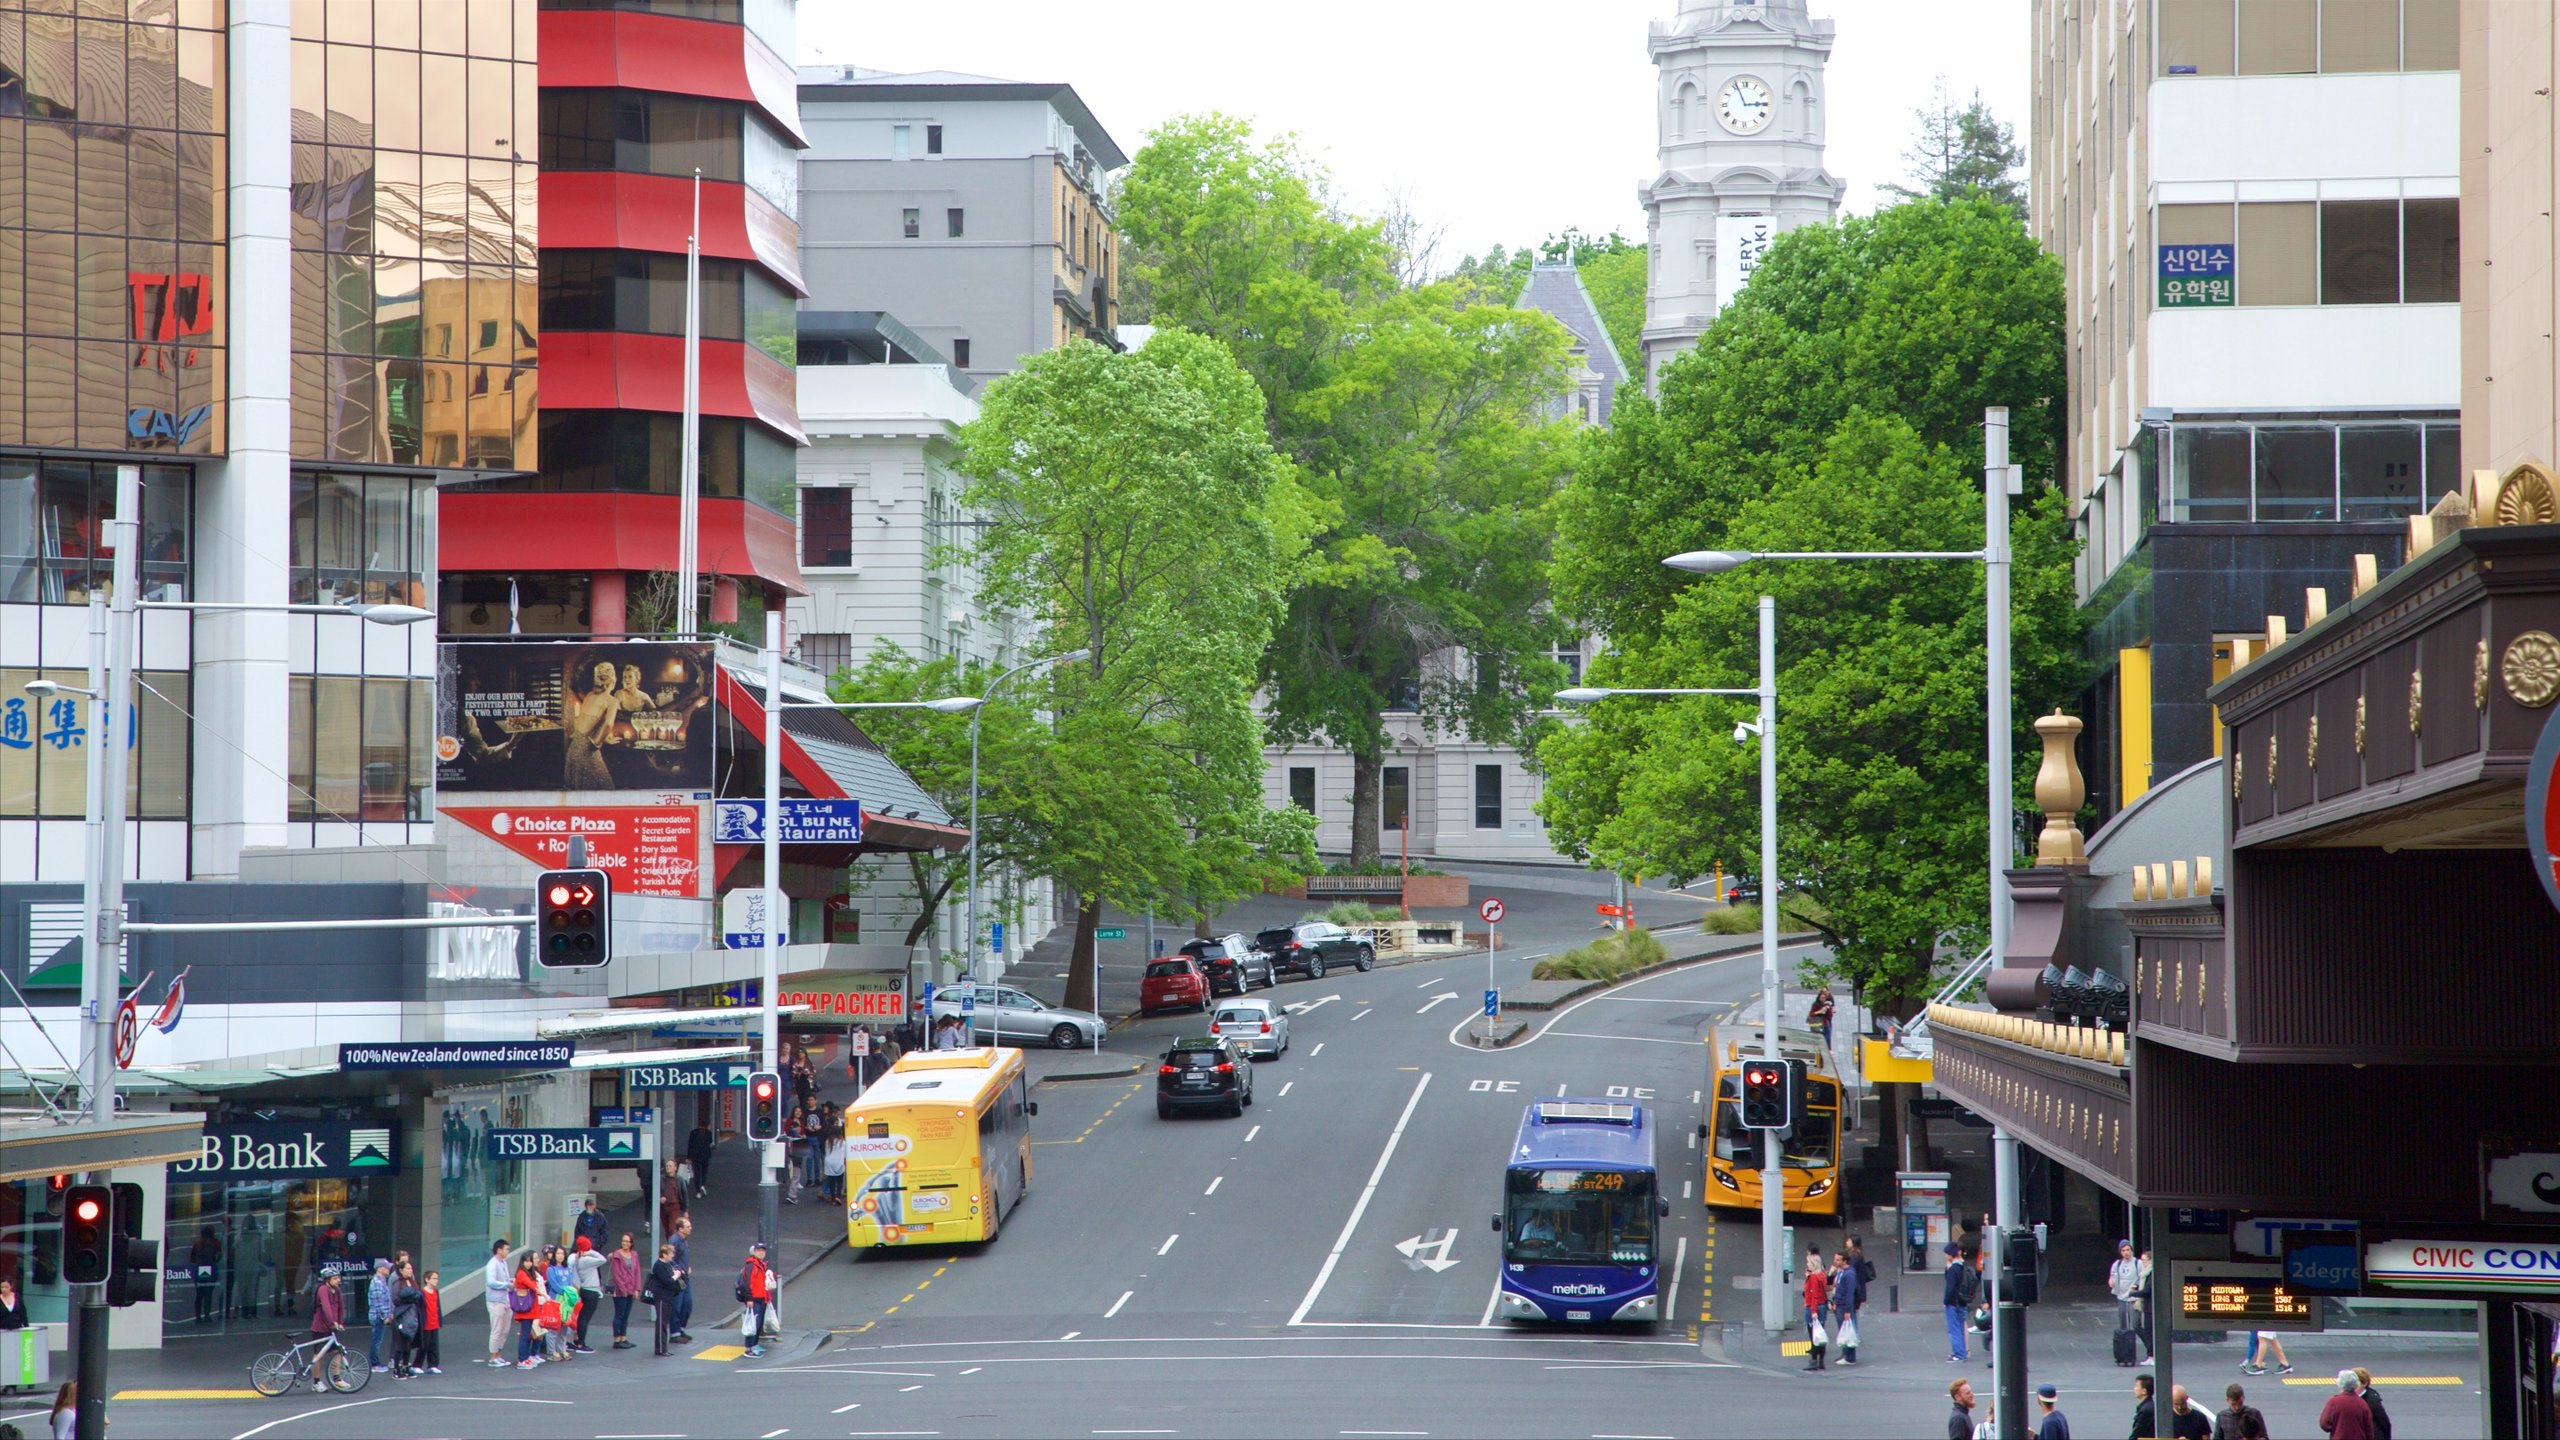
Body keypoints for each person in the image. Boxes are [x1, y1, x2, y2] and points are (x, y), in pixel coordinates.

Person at [309, 1268, 346, 1387]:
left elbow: (341, 1307)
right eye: (335, 1278)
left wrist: (340, 1323)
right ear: (327, 1280)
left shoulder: (337, 1290)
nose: (338, 1280)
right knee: (318, 1356)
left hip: (331, 1328)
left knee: (338, 1352)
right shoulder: (323, 1289)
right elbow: (326, 1307)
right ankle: (316, 1382)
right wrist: (332, 1322)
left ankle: (337, 1379)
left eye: (338, 1278)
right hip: (320, 1328)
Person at [1942, 1241, 1978, 1363]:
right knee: (1961, 1326)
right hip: (1962, 1302)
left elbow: (1950, 1287)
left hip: (1953, 1302)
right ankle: (1962, 1351)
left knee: (1954, 1328)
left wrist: (1946, 1301)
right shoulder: (1962, 1266)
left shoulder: (1953, 1269)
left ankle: (1958, 1353)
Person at [738, 1242, 775, 1358]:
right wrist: (749, 1298)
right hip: (754, 1299)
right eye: (759, 1250)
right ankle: (749, 1348)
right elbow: (747, 1283)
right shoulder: (751, 1265)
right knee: (753, 1324)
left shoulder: (761, 1264)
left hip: (761, 1298)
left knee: (757, 1324)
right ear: (754, 1252)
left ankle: (754, 1344)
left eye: (763, 1250)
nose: (761, 1252)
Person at [482, 1239, 515, 1369]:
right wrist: (507, 1284)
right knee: (496, 1329)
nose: (508, 1251)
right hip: (495, 1301)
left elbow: (505, 1279)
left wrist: (510, 1281)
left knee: (504, 1330)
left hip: (505, 1299)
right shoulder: (492, 1264)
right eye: (506, 1249)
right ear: (499, 1250)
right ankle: (493, 1357)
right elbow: (491, 1282)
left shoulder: (504, 1263)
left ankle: (499, 1354)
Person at [1826, 1251, 1863, 1364]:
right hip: (1839, 1304)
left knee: (1848, 1330)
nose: (1835, 1261)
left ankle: (1850, 1357)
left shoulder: (1849, 1274)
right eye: (1835, 1259)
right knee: (1843, 1330)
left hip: (1845, 1306)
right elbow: (1833, 1285)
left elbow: (1849, 1293)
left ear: (1844, 1261)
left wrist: (1848, 1310)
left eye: (1838, 1260)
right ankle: (1845, 1354)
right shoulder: (1839, 1271)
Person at [646, 1242, 682, 1357]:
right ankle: (661, 1349)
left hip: (667, 1297)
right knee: (661, 1323)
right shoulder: (659, 1266)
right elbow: (667, 1281)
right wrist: (676, 1276)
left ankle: (663, 1347)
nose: (672, 1256)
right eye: (671, 1253)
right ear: (664, 1254)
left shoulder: (667, 1264)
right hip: (662, 1297)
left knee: (664, 1322)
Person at [570, 1237, 606, 1354]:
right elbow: (602, 1259)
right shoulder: (586, 1260)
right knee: (585, 1317)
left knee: (583, 1317)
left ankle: (579, 1340)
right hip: (591, 1291)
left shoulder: (580, 1260)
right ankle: (581, 1343)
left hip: (585, 1289)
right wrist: (590, 1251)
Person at [607, 1234, 643, 1350]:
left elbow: (637, 1272)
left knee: (626, 1315)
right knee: (619, 1314)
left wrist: (637, 1289)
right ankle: (617, 1339)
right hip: (620, 1291)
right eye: (623, 1241)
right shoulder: (616, 1255)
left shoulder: (634, 1254)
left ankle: (624, 1337)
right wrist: (623, 1290)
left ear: (631, 1243)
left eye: (627, 1241)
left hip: (631, 1289)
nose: (625, 1243)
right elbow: (617, 1275)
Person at [2320, 1369, 2377, 1440]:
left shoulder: (2333, 1402)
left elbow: (2324, 1424)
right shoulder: (2362, 1403)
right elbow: (2369, 1428)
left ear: (2340, 1384)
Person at [1800, 1244, 1830, 1371]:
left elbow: (1813, 1295)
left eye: (1809, 1263)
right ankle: (1821, 1360)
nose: (1807, 1265)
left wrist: (1813, 1311)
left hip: (1814, 1307)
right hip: (1823, 1306)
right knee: (1820, 1333)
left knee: (1813, 1336)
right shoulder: (1822, 1275)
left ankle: (1813, 1360)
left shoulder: (1813, 1277)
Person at [390, 1262, 423, 1379]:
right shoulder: (397, 1283)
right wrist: (409, 1297)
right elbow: (396, 1300)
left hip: (412, 1316)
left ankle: (405, 1366)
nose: (410, 1270)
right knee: (399, 1345)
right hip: (401, 1317)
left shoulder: (413, 1282)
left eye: (411, 1268)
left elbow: (418, 1295)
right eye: (408, 1268)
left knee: (408, 1344)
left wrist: (412, 1296)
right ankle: (396, 1369)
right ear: (401, 1270)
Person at [510, 1255, 543, 1369]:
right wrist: (545, 1295)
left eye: (530, 1261)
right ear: (522, 1262)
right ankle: (522, 1359)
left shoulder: (527, 1273)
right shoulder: (521, 1273)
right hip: (525, 1308)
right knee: (525, 1335)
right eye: (526, 1261)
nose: (529, 1263)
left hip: (529, 1308)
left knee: (527, 1334)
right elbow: (532, 1285)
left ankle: (525, 1357)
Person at [2110, 1239, 2143, 1341]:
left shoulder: (2138, 1263)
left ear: (2131, 1250)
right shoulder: (2117, 1264)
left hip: (2134, 1297)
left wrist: (2139, 1297)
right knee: (2123, 1324)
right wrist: (2111, 1282)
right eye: (2123, 1250)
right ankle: (2125, 1347)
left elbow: (2142, 1279)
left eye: (2128, 1250)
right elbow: (2112, 1277)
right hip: (2122, 1297)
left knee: (2136, 1324)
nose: (2126, 1252)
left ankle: (2149, 1345)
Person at [668, 1216, 695, 1343]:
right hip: (679, 1278)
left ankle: (681, 1329)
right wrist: (680, 1269)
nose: (690, 1228)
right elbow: (671, 1259)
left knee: (687, 1304)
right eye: (688, 1227)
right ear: (680, 1229)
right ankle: (675, 1333)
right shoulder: (674, 1241)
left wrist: (687, 1266)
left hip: (685, 1277)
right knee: (677, 1305)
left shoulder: (684, 1240)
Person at [365, 1258, 395, 1373]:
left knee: (377, 1340)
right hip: (379, 1317)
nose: (389, 1269)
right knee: (376, 1340)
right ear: (380, 1268)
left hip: (380, 1316)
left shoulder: (382, 1281)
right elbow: (379, 1302)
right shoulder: (377, 1282)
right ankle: (375, 1364)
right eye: (387, 1267)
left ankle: (375, 1363)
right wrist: (385, 1316)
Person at [2354, 1367, 2393, 1440]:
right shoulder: (2349, 1398)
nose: (2353, 1387)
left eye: (2356, 1384)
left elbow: (2384, 1421)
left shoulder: (2372, 1400)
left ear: (2364, 1384)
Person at [418, 1269, 443, 1375]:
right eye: (434, 1278)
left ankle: (433, 1365)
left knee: (434, 1345)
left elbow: (438, 1307)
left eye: (437, 1278)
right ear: (427, 1280)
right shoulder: (422, 1293)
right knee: (424, 1345)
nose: (436, 1280)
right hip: (426, 1323)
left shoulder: (436, 1292)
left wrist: (439, 1320)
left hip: (434, 1322)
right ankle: (417, 1365)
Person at [687, 1119, 715, 1198]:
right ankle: (703, 1185)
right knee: (704, 1171)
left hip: (695, 1156)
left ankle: (698, 1192)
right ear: (707, 1125)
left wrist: (689, 1157)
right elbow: (710, 1142)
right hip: (705, 1155)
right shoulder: (708, 1133)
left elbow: (690, 1145)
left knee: (697, 1173)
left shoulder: (693, 1132)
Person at [2130, 1373, 2155, 1440]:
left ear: (2144, 1391)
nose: (2134, 1389)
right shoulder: (2149, 1406)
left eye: (2137, 1386)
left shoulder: (2146, 1410)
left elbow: (2138, 1431)